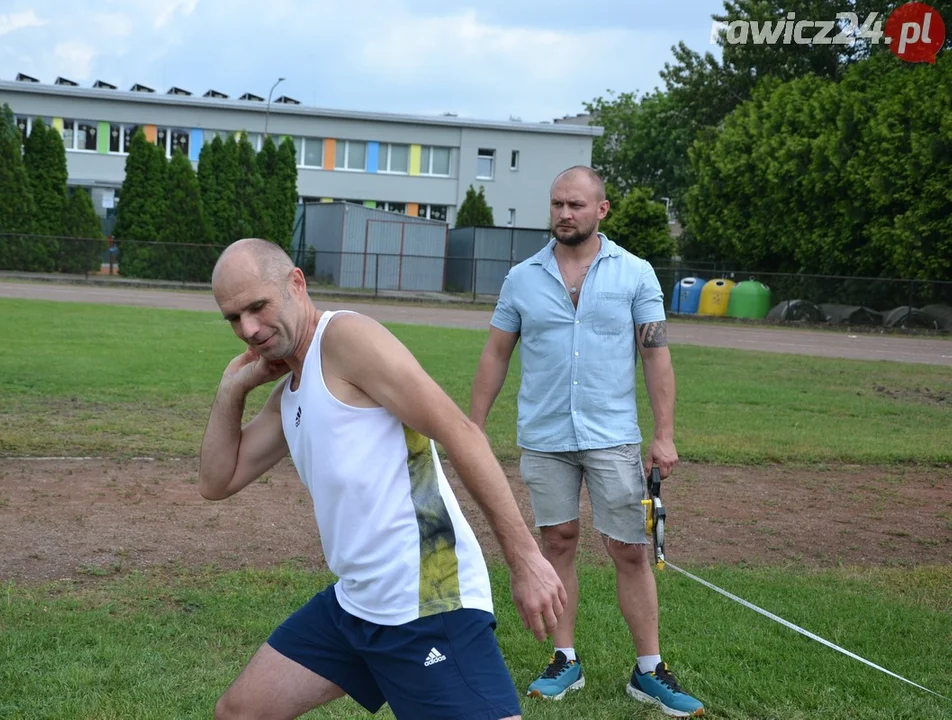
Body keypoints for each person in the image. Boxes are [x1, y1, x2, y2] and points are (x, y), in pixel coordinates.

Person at [199, 237, 567, 720]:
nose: (248, 328)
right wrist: (232, 387)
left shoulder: (344, 339)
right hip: (356, 604)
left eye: (257, 307)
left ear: (296, 284)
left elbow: (460, 433)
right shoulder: (291, 391)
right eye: (233, 318)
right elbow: (216, 481)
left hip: (427, 602)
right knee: (239, 712)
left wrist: (525, 559)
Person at [468, 167, 705, 717]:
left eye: (575, 204)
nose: (564, 213)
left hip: (611, 437)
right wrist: (472, 428)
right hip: (545, 437)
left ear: (602, 209)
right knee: (557, 545)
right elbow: (496, 354)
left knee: (629, 550)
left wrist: (664, 434)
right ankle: (564, 659)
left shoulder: (636, 274)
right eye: (556, 204)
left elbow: (656, 355)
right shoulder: (522, 278)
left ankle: (649, 671)